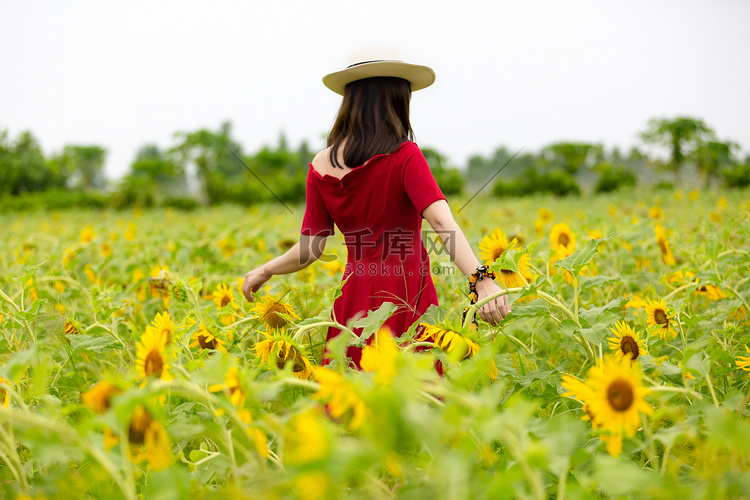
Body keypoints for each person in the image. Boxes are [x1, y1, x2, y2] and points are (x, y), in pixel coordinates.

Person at [242, 47, 510, 368]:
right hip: (406, 292)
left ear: (351, 101)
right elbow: (441, 221)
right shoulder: (405, 155)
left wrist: (265, 269)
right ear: (395, 99)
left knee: (353, 393)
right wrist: (481, 279)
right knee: (414, 390)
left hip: (351, 299)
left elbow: (310, 249)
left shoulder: (320, 165)